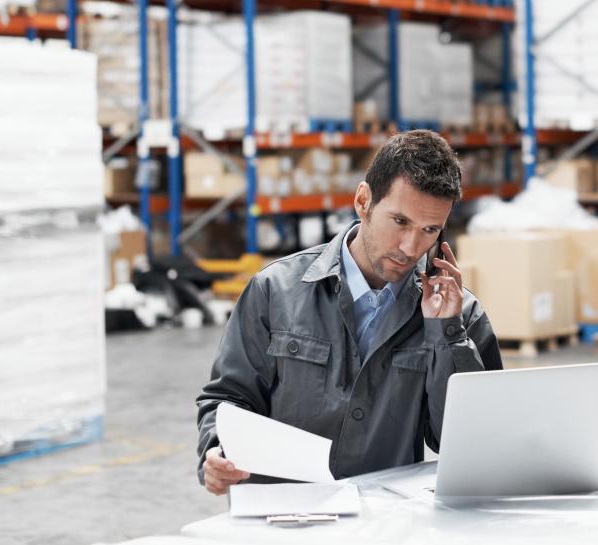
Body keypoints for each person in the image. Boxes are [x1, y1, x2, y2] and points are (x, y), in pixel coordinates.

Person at [196, 130, 503, 495]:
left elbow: (463, 442)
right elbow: (229, 398)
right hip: (281, 515)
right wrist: (215, 451)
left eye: (430, 230)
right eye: (400, 221)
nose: (410, 247)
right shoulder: (275, 291)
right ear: (363, 201)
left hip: (384, 522)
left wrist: (446, 332)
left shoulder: (459, 315)